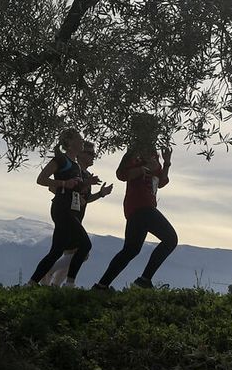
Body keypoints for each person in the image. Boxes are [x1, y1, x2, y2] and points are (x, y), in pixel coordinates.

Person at [92, 114, 177, 291]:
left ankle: (101, 286)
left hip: (142, 205)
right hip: (141, 204)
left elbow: (161, 181)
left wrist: (166, 163)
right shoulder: (135, 151)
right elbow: (121, 174)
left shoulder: (152, 153)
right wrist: (143, 169)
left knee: (131, 249)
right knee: (170, 239)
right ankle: (144, 280)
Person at [29, 128, 101, 288]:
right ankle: (69, 284)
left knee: (56, 252)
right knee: (85, 245)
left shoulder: (75, 165)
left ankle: (32, 283)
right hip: (62, 208)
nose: (82, 141)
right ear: (69, 143)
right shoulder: (61, 160)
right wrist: (63, 183)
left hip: (71, 209)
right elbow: (41, 179)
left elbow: (76, 189)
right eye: (79, 139)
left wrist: (87, 185)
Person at [39, 141, 112, 285]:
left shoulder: (85, 174)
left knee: (70, 253)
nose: (93, 156)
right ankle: (50, 275)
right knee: (80, 251)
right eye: (90, 153)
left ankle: (53, 284)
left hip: (76, 216)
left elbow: (85, 199)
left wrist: (100, 194)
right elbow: (54, 188)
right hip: (66, 214)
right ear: (81, 154)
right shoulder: (73, 171)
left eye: (94, 153)